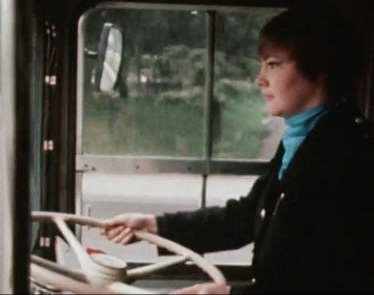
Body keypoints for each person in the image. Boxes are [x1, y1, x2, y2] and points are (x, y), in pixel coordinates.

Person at [100, 6, 374, 294]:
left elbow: (333, 281)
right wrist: (154, 226)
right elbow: (246, 217)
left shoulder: (350, 158)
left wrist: (231, 294)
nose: (260, 79)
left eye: (273, 64)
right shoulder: (302, 139)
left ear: (319, 69)